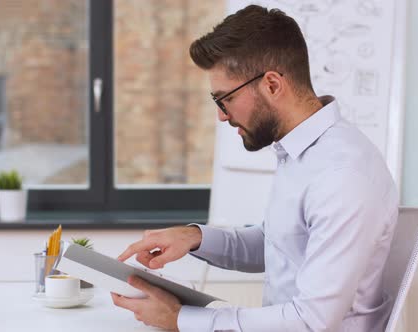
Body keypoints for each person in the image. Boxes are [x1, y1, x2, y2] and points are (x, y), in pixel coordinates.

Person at [113, 5, 398, 332]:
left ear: (273, 85)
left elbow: (311, 323)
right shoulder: (304, 154)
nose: (221, 115)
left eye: (225, 99)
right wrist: (195, 237)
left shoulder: (342, 175)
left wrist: (181, 320)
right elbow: (280, 244)